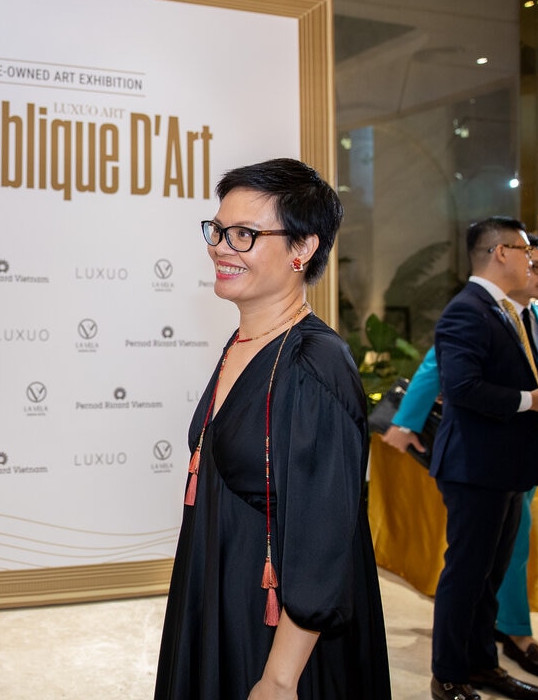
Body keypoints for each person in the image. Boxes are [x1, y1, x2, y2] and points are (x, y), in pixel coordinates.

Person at [155, 158, 390, 700]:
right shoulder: (246, 342)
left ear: (302, 248)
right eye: (218, 231)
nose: (221, 248)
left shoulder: (314, 365)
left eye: (244, 234)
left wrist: (280, 678)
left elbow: (324, 538)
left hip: (280, 644)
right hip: (221, 603)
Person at [382, 234, 538, 685]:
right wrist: (404, 423)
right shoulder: (473, 310)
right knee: (474, 567)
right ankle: (471, 660)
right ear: (504, 257)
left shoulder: (537, 318)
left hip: (519, 458)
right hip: (479, 459)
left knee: (502, 558)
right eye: (532, 262)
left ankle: (489, 654)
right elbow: (442, 371)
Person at [428, 217, 538, 700]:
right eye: (523, 250)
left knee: (489, 578)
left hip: (504, 467)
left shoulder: (507, 310)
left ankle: (481, 665)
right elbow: (463, 388)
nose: (531, 260)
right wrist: (535, 401)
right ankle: (448, 676)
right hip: (474, 467)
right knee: (466, 575)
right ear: (500, 253)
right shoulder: (467, 310)